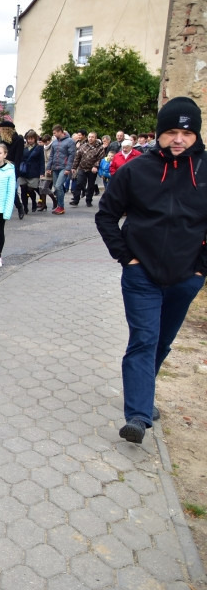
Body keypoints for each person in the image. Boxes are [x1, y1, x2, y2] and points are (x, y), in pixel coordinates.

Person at [95, 97, 207, 444]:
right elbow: (107, 215)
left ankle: (144, 392)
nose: (178, 139)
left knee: (162, 341)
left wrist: (201, 269)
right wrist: (126, 257)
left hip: (187, 277)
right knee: (144, 339)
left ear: (196, 135)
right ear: (159, 134)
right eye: (171, 131)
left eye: (186, 133)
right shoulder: (135, 169)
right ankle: (139, 415)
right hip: (140, 273)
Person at [47, 124, 76, 214]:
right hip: (55, 167)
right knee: (56, 187)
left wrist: (68, 168)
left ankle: (61, 206)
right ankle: (59, 205)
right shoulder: (55, 142)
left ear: (60, 131)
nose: (54, 135)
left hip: (64, 167)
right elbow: (51, 155)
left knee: (58, 186)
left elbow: (72, 155)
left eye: (55, 133)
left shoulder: (70, 141)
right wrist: (48, 167)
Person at [70, 131, 104, 207]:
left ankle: (89, 200)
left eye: (92, 137)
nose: (90, 138)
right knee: (79, 183)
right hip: (82, 168)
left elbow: (100, 158)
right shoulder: (83, 146)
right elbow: (77, 157)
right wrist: (74, 167)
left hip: (92, 169)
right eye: (89, 137)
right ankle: (76, 200)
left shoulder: (100, 147)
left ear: (95, 138)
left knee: (91, 185)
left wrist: (95, 166)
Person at [18, 130, 44, 214]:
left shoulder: (39, 148)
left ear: (35, 139)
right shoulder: (23, 147)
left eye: (31, 138)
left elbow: (41, 161)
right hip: (23, 171)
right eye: (28, 138)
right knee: (23, 189)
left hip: (34, 171)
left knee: (30, 189)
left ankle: (33, 201)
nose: (30, 140)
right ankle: (25, 206)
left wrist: (41, 172)